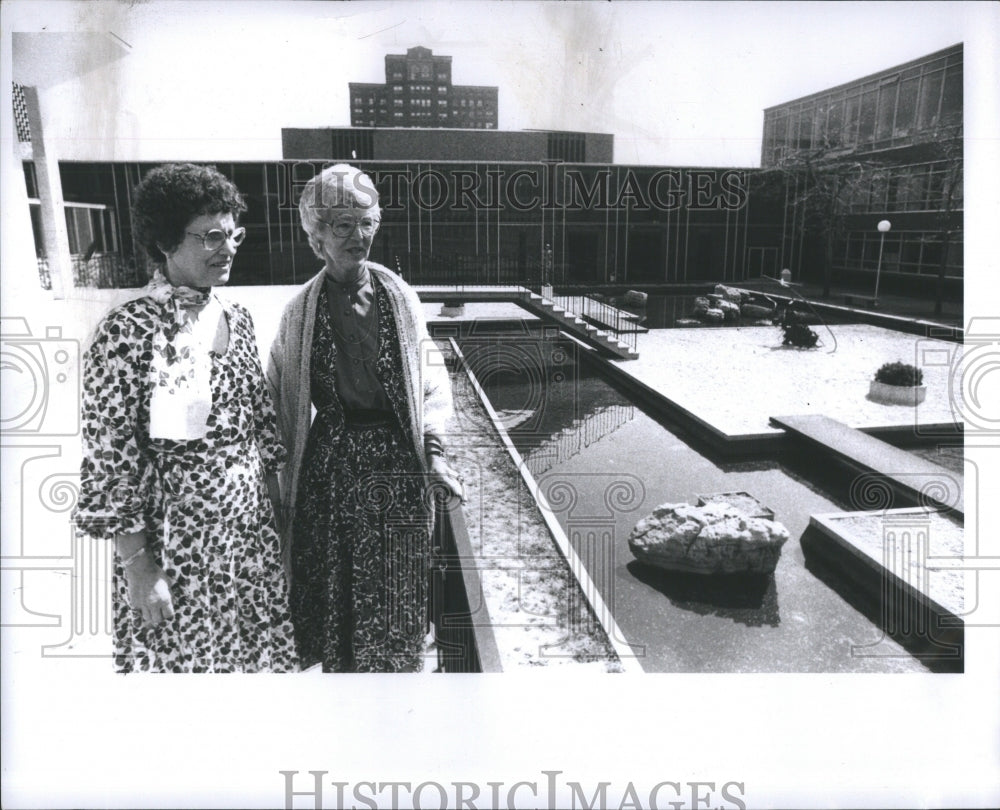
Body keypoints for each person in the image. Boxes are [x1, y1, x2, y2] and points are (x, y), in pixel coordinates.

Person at [74, 163, 297, 673]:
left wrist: (278, 528)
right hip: (178, 554)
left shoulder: (237, 319)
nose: (229, 247)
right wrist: (138, 567)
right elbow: (111, 464)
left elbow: (261, 432)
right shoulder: (125, 333)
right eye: (211, 236)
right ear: (167, 241)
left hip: (248, 544)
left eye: (233, 232)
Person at [267, 163, 462, 673]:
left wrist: (436, 456)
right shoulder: (298, 312)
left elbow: (430, 378)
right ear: (317, 236)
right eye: (342, 226)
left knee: (397, 588)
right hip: (329, 473)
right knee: (338, 592)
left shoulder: (400, 299)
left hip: (396, 467)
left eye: (367, 222)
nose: (359, 236)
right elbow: (272, 397)